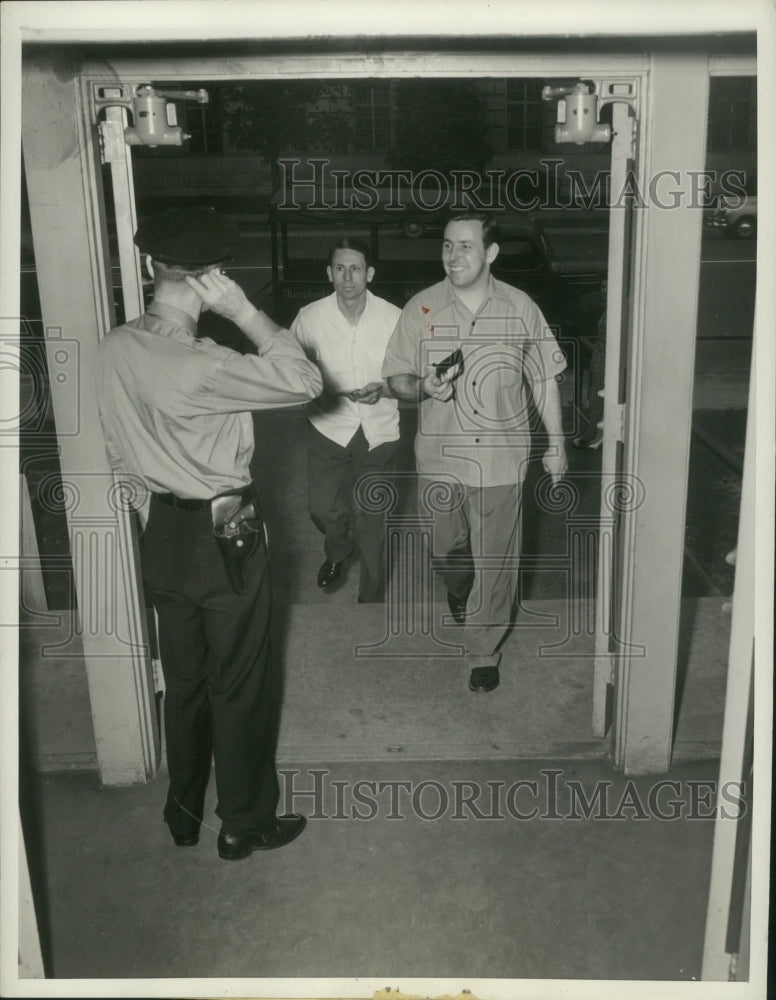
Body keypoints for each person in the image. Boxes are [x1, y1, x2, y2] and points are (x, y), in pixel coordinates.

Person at [96, 206, 323, 860]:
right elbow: (305, 381)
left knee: (185, 680)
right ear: (215, 278)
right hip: (227, 534)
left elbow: (117, 453)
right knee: (240, 685)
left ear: (148, 267)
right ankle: (243, 824)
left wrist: (153, 513)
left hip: (161, 534)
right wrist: (248, 313)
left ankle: (183, 812)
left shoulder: (115, 346)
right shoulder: (208, 362)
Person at [382, 211, 568, 693]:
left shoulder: (520, 306)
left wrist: (557, 443)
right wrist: (421, 385)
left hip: (502, 458)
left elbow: (544, 377)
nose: (453, 255)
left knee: (497, 561)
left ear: (491, 253)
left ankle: (482, 648)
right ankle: (458, 587)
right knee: (447, 550)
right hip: (440, 459)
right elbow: (395, 380)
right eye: (447, 245)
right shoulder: (420, 308)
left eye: (465, 246)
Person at [291, 237, 402, 603]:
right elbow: (290, 367)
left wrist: (384, 389)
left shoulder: (393, 317)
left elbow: (410, 374)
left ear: (369, 273)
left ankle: (371, 596)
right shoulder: (310, 317)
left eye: (355, 268)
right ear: (329, 273)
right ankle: (339, 550)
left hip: (379, 428)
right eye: (340, 268)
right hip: (329, 425)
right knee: (321, 507)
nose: (347, 276)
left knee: (374, 518)